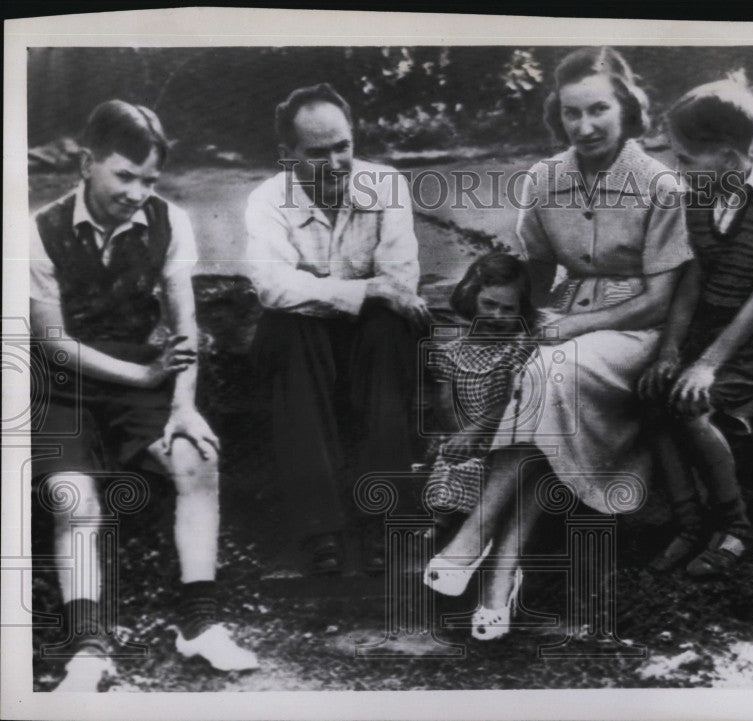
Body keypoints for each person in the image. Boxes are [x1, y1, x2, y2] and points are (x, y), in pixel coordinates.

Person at [423, 47, 692, 640]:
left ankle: (475, 536)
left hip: (632, 334)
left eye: (598, 109)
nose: (586, 126)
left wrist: (568, 328)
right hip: (563, 328)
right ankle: (501, 574)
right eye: (572, 114)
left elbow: (657, 300)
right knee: (546, 390)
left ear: (625, 108)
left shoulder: (658, 185)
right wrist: (505, 316)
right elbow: (536, 272)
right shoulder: (546, 179)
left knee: (550, 375)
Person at [30, 100, 259, 691]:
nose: (136, 192)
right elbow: (53, 343)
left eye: (149, 179)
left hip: (145, 376)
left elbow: (185, 327)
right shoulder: (40, 231)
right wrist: (144, 378)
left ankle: (200, 623)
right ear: (86, 164)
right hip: (64, 385)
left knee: (196, 457)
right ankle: (88, 647)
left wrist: (183, 404)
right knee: (71, 495)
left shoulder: (168, 220)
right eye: (123, 176)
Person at [637, 76, 753, 577]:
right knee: (651, 393)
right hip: (707, 332)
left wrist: (708, 367)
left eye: (686, 159)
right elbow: (691, 283)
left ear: (725, 152)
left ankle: (737, 527)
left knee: (692, 404)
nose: (678, 169)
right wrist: (672, 351)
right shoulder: (697, 196)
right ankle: (689, 524)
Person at [245, 83, 430, 576]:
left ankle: (381, 520)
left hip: (372, 340)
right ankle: (319, 528)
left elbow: (401, 280)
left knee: (390, 328)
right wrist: (360, 293)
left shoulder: (386, 186)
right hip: (304, 341)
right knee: (289, 331)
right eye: (316, 152)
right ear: (287, 156)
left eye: (342, 146)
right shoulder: (267, 202)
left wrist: (340, 295)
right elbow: (272, 288)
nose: (335, 163)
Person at [422, 252, 539, 519]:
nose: (496, 316)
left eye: (508, 309)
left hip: (499, 435)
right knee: (448, 458)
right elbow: (445, 401)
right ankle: (442, 520)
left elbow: (511, 402)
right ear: (471, 298)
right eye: (489, 304)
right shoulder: (451, 352)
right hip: (462, 433)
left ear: (522, 311)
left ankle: (468, 526)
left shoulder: (516, 351)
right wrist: (459, 435)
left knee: (488, 466)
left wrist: (474, 433)